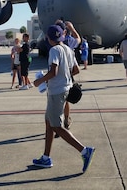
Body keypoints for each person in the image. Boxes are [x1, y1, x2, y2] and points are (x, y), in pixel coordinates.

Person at [31, 24, 95, 173]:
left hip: (56, 92)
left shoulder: (54, 50)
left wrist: (39, 81)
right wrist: (64, 74)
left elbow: (53, 72)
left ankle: (84, 151)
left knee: (57, 126)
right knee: (49, 123)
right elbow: (76, 69)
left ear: (48, 37)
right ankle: (46, 158)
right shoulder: (67, 49)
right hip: (65, 89)